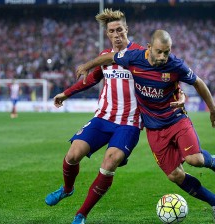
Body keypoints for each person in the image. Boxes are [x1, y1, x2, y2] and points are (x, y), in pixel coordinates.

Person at [76, 30, 215, 223]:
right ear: (149, 48)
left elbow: (198, 82)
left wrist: (213, 108)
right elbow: (110, 56)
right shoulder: (133, 57)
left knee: (194, 159)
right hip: (154, 128)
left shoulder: (175, 64)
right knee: (175, 175)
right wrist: (87, 65)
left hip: (176, 120)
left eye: (166, 52)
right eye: (159, 52)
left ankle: (214, 162)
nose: (162, 57)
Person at [44, 9, 185, 224]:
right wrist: (66, 93)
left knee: (109, 162)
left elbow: (170, 77)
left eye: (120, 29)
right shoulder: (105, 57)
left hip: (129, 122)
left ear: (126, 29)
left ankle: (81, 215)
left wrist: (180, 95)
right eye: (112, 31)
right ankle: (67, 189)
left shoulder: (142, 54)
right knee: (72, 155)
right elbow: (90, 79)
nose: (117, 34)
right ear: (107, 34)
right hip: (103, 117)